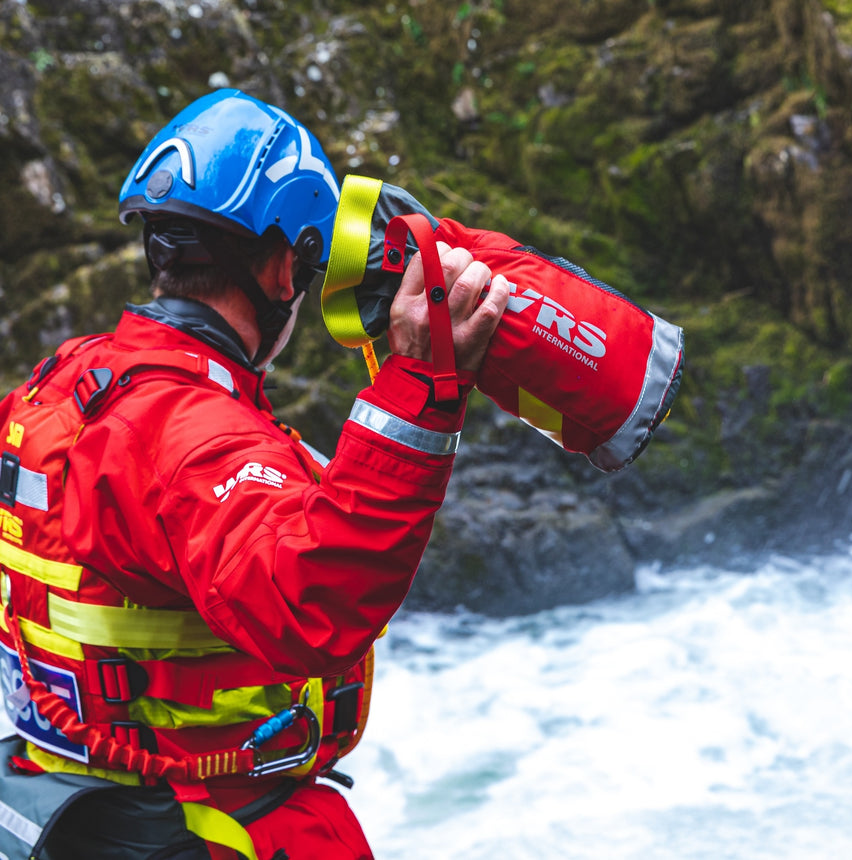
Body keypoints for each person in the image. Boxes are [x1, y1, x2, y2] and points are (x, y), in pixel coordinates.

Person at [0, 88, 509, 859]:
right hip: (212, 824)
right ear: (282, 270)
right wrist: (420, 390)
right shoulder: (191, 433)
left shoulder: (60, 386)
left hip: (70, 805)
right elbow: (312, 600)